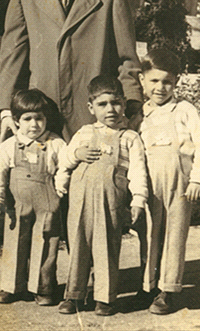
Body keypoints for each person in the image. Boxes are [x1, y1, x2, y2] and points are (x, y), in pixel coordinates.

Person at [0, 0, 142, 143]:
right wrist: (7, 110)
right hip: (42, 119)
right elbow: (12, 61)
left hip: (95, 120)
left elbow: (127, 60)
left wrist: (132, 107)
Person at [54, 75, 148, 316]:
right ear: (91, 108)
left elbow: (138, 171)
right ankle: (74, 295)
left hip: (111, 201)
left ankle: (105, 298)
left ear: (124, 104)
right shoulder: (84, 133)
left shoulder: (130, 138)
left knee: (107, 247)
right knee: (78, 244)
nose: (110, 110)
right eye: (102, 104)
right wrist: (74, 157)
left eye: (116, 103)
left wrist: (138, 199)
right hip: (80, 200)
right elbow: (63, 162)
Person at [138, 48, 200, 315]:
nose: (160, 87)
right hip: (150, 185)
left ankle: (167, 290)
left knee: (174, 235)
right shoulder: (140, 114)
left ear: (176, 82)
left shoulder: (184, 110)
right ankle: (146, 286)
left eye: (167, 81)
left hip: (179, 184)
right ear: (142, 80)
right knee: (149, 234)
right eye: (154, 81)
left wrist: (198, 180)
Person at [0, 89, 66, 305]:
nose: (34, 125)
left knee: (46, 241)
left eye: (39, 118)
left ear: (46, 119)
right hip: (17, 204)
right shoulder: (10, 145)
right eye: (27, 119)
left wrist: (60, 188)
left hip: (47, 202)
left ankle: (43, 288)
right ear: (16, 121)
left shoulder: (55, 143)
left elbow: (65, 167)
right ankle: (12, 287)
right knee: (15, 241)